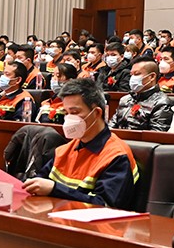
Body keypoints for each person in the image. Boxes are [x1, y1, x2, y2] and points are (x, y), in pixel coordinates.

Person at [23, 78, 140, 208]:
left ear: (97, 113)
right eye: (66, 113)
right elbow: (40, 182)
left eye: (74, 112)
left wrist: (55, 189)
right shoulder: (64, 150)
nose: (69, 118)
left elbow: (105, 205)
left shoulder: (116, 155)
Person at [111, 60, 174, 131]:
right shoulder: (125, 99)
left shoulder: (162, 103)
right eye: (131, 74)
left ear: (152, 77)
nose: (132, 78)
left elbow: (156, 134)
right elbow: (111, 125)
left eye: (136, 74)